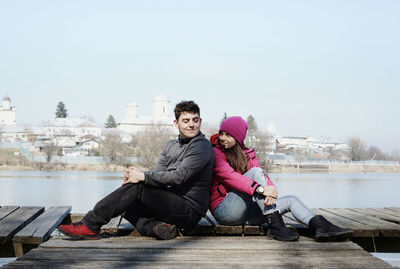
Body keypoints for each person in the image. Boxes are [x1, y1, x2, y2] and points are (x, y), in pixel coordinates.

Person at [58, 100, 214, 240]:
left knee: (136, 188)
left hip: (189, 210)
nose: (191, 125)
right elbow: (157, 173)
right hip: (171, 202)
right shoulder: (171, 145)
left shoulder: (201, 146)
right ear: (176, 123)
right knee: (126, 198)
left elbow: (179, 177)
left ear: (200, 121)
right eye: (186, 121)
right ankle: (156, 228)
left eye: (195, 120)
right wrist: (134, 178)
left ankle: (90, 224)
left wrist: (141, 177)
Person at [209, 116, 352, 241]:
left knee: (291, 200)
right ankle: (276, 226)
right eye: (221, 133)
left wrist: (271, 191)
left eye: (228, 135)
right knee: (255, 172)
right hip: (225, 212)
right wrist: (261, 189)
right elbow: (230, 177)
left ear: (238, 137)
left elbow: (263, 176)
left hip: (246, 212)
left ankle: (321, 226)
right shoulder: (216, 152)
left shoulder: (248, 155)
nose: (222, 138)